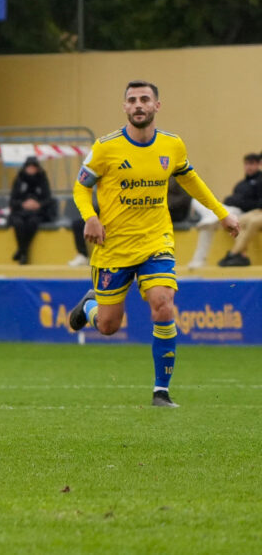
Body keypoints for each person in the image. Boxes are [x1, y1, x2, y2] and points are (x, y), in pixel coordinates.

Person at [67, 80, 238, 407]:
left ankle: (161, 391)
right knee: (108, 326)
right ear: (124, 107)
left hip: (156, 242)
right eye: (132, 100)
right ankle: (90, 307)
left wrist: (221, 213)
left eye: (144, 99)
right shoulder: (105, 147)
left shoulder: (172, 145)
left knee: (163, 304)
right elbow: (80, 187)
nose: (138, 105)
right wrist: (90, 217)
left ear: (156, 106)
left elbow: (190, 179)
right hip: (114, 246)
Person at [188, 153, 261, 269]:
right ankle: (198, 260)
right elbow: (229, 199)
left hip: (240, 213)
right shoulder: (240, 184)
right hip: (228, 211)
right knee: (196, 204)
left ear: (258, 164)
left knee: (209, 220)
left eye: (252, 164)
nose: (249, 167)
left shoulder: (260, 181)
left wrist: (237, 201)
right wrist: (233, 200)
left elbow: (256, 205)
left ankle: (210, 217)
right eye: (247, 164)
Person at [7, 156, 57, 265]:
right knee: (18, 223)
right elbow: (12, 200)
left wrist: (38, 204)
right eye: (29, 167)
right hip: (20, 211)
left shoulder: (42, 179)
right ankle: (23, 251)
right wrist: (23, 204)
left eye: (34, 167)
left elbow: (48, 199)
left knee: (32, 222)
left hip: (38, 212)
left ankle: (22, 251)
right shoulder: (19, 179)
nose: (31, 169)